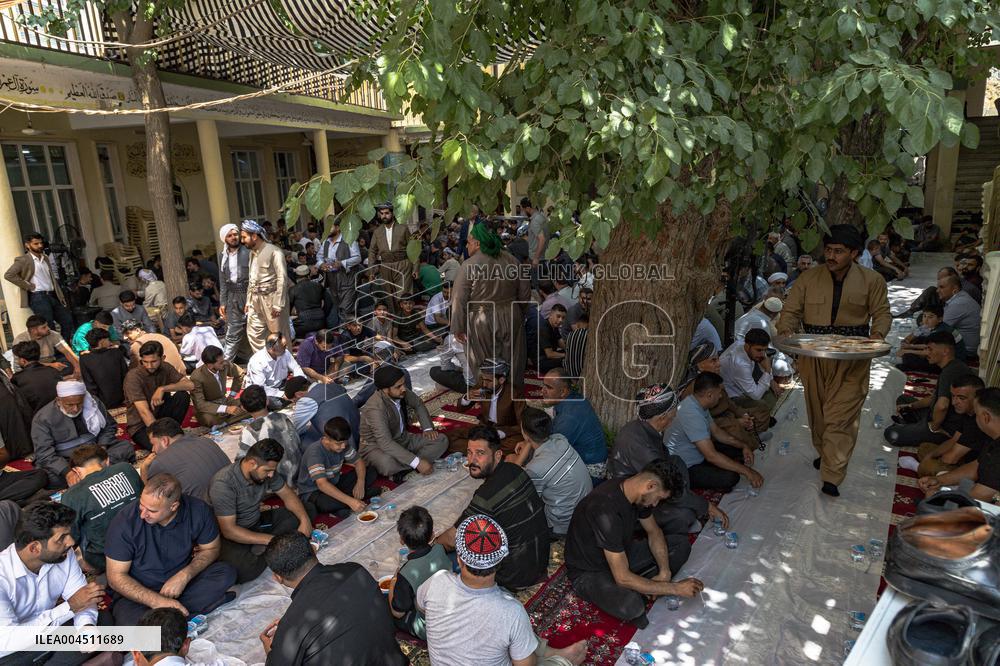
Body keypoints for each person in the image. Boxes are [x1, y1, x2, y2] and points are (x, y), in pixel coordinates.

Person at [776, 224, 891, 497]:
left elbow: (882, 313)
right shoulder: (808, 279)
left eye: (839, 251)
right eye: (828, 250)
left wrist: (876, 335)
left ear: (854, 253)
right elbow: (791, 311)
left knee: (841, 416)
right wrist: (786, 329)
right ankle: (826, 452)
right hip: (814, 358)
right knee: (819, 413)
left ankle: (832, 475)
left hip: (852, 359)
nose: (831, 256)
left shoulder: (872, 281)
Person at [420, 514, 586, 666]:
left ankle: (548, 651)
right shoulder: (511, 611)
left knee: (512, 632)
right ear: (500, 561)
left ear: (459, 558)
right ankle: (562, 660)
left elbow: (422, 606)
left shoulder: (436, 581)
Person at [564, 460, 706, 629]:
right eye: (659, 498)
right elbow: (622, 576)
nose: (655, 505)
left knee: (680, 545)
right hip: (590, 571)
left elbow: (654, 532)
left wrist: (664, 572)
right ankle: (643, 588)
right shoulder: (605, 509)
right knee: (632, 606)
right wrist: (673, 588)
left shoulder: (635, 490)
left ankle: (645, 585)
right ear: (651, 485)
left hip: (621, 553)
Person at [607, 383, 726, 565]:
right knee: (684, 515)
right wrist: (706, 506)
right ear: (663, 417)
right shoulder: (638, 443)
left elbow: (668, 466)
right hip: (636, 504)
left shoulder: (645, 427)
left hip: (653, 485)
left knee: (677, 461)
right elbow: (663, 482)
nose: (675, 416)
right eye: (672, 414)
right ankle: (671, 532)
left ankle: (684, 507)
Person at [105, 473, 237, 625]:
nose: (142, 514)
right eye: (141, 505)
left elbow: (211, 548)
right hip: (141, 592)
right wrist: (157, 601)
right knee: (131, 627)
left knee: (225, 573)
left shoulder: (198, 510)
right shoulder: (124, 523)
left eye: (152, 511)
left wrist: (185, 575)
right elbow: (116, 577)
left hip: (181, 586)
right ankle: (188, 613)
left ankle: (168, 621)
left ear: (174, 506)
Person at [259, 533, 409, 666]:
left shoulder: (291, 626)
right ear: (314, 551)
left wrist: (271, 652)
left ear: (278, 578)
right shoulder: (354, 570)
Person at [435, 425, 549, 590]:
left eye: (480, 453)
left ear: (497, 455)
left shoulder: (486, 497)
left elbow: (451, 541)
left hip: (514, 576)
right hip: (540, 562)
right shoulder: (515, 469)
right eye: (469, 452)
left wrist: (433, 544)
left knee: (451, 557)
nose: (472, 460)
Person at [0, 501, 103, 661]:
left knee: (103, 622)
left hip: (50, 632)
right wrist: (69, 607)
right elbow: (9, 640)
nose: (71, 542)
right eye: (61, 538)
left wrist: (86, 628)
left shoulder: (63, 555)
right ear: (34, 548)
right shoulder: (2, 577)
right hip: (11, 649)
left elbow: (83, 598)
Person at [210, 439, 312, 584]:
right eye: (267, 471)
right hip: (232, 536)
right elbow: (229, 530)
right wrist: (273, 541)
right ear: (252, 463)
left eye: (273, 471)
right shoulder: (223, 484)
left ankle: (268, 548)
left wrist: (305, 520)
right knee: (243, 571)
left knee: (306, 509)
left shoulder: (266, 471)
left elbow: (288, 495)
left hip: (258, 522)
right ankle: (278, 547)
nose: (271, 475)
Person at [451, 222, 531, 391]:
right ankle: (512, 400)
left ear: (477, 243)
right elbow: (525, 293)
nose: (467, 245)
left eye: (469, 241)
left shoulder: (469, 265)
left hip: (481, 320)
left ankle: (490, 404)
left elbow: (458, 300)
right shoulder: (513, 260)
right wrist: (519, 314)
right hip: (511, 314)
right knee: (513, 361)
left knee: (484, 363)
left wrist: (458, 327)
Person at [665, 372, 764, 492]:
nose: (721, 396)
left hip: (700, 453)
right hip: (686, 467)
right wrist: (748, 472)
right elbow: (711, 456)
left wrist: (744, 446)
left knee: (737, 451)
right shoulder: (691, 413)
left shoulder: (698, 404)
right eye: (720, 392)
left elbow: (717, 432)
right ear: (710, 395)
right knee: (731, 478)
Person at [31, 379, 134, 489]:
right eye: (70, 405)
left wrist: (102, 448)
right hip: (67, 459)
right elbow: (44, 453)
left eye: (79, 404)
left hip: (95, 450)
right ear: (59, 400)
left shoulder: (93, 403)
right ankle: (98, 471)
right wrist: (67, 472)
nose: (75, 409)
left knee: (125, 447)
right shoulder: (43, 418)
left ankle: (86, 474)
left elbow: (109, 427)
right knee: (45, 476)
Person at [506, 407, 591, 536]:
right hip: (585, 510)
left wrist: (515, 464)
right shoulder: (560, 440)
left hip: (562, 524)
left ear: (525, 433)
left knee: (514, 507)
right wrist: (528, 441)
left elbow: (523, 496)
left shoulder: (535, 469)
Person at [60, 444, 142, 573]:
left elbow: (73, 537)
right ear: (107, 461)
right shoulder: (126, 468)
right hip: (146, 539)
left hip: (106, 559)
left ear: (76, 471)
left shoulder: (71, 495)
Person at [359, 365, 448, 478]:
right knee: (387, 464)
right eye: (398, 386)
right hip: (376, 447)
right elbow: (385, 443)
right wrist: (417, 462)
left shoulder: (400, 392)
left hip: (402, 439)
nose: (404, 388)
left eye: (404, 384)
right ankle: (413, 462)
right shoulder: (375, 408)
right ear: (385, 390)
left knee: (441, 440)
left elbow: (418, 404)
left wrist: (428, 428)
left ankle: (405, 466)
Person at [885, 331, 971, 448]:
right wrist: (910, 406)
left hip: (945, 427)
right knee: (904, 400)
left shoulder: (950, 372)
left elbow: (942, 406)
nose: (926, 353)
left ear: (945, 351)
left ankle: (924, 431)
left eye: (930, 349)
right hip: (936, 415)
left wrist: (933, 427)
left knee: (891, 433)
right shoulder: (953, 366)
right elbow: (933, 399)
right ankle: (918, 425)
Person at [918, 388, 1000, 502]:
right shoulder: (994, 438)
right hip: (983, 490)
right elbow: (976, 466)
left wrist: (942, 498)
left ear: (986, 417)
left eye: (976, 414)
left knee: (932, 503)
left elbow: (982, 494)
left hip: (990, 504)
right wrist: (939, 480)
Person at [387, 506, 452, 640]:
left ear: (401, 540)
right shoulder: (440, 549)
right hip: (451, 611)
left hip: (431, 628)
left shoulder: (406, 574)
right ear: (433, 534)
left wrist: (393, 582)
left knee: (388, 610)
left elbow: (397, 613)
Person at [297, 416, 375, 519]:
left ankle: (343, 505)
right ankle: (350, 500)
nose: (343, 446)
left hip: (334, 483)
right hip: (313, 491)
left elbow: (359, 462)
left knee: (371, 471)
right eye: (339, 443)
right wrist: (350, 501)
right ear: (327, 439)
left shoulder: (343, 445)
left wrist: (360, 482)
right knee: (326, 503)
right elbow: (322, 484)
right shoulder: (315, 453)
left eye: (345, 442)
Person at [124, 340, 194, 450]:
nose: (149, 366)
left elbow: (189, 385)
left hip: (161, 414)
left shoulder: (165, 367)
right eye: (145, 362)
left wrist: (163, 389)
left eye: (153, 361)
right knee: (164, 448)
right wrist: (161, 436)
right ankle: (170, 434)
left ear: (163, 358)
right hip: (141, 425)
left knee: (182, 396)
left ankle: (171, 433)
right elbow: (144, 412)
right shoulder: (133, 377)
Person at [446, 357, 525, 454]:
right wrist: (467, 397)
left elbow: (523, 424)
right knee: (450, 437)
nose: (484, 384)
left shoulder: (515, 394)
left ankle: (478, 450)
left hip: (504, 430)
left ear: (501, 380)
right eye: (483, 379)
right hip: (484, 429)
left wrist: (502, 433)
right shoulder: (483, 385)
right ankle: (487, 451)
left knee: (515, 444)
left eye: (489, 380)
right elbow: (460, 409)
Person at [914, 375, 989, 477]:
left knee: (930, 466)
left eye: (961, 398)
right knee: (925, 448)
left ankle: (920, 468)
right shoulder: (967, 412)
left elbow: (951, 458)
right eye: (953, 396)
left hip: (975, 467)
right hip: (962, 455)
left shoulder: (979, 421)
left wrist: (932, 462)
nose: (954, 402)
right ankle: (929, 469)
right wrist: (930, 456)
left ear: (977, 399)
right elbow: (954, 440)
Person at [142, 418, 228, 503]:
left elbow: (151, 501)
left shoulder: (159, 462)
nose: (153, 450)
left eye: (153, 444)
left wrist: (144, 469)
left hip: (209, 513)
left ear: (165, 441)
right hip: (237, 497)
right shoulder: (206, 440)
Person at [541, 368, 608, 478]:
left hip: (590, 472)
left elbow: (552, 452)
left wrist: (529, 444)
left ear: (563, 392)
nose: (543, 390)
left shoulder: (569, 417)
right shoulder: (575, 398)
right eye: (543, 385)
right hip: (589, 461)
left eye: (549, 387)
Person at [4, 232, 74, 337]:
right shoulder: (24, 260)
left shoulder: (45, 258)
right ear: (27, 245)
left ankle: (64, 345)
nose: (40, 246)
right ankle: (56, 352)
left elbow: (51, 279)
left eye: (40, 243)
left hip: (51, 295)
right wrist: (28, 286)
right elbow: (9, 275)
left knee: (67, 319)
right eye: (36, 244)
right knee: (48, 326)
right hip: (38, 297)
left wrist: (60, 295)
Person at [242, 220, 291, 353]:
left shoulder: (274, 251)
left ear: (254, 236)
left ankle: (283, 367)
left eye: (244, 237)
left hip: (272, 299)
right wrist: (248, 301)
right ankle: (265, 364)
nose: (242, 240)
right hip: (255, 300)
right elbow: (252, 279)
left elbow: (282, 278)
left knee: (278, 335)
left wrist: (278, 303)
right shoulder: (252, 253)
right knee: (254, 333)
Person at [237, 385, 303, 480]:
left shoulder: (249, 431)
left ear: (243, 408)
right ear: (267, 401)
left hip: (277, 480)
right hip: (300, 472)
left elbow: (242, 463)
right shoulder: (284, 417)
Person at [719, 328, 783, 417]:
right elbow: (756, 396)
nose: (762, 354)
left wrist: (771, 380)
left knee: (770, 393)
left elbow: (761, 361)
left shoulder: (744, 344)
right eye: (759, 350)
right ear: (747, 346)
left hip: (742, 381)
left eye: (764, 350)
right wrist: (768, 371)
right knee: (764, 404)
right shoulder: (740, 364)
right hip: (732, 395)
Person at [368, 202, 415, 313]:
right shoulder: (377, 232)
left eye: (387, 213)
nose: (384, 216)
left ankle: (406, 321)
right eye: (382, 213)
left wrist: (416, 267)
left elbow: (413, 248)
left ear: (392, 214)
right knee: (390, 296)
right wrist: (371, 271)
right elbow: (372, 251)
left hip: (403, 264)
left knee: (403, 294)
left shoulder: (403, 228)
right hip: (385, 266)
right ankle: (396, 323)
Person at [896, 303, 967, 371]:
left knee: (909, 357)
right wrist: (909, 345)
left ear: (940, 319)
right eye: (924, 316)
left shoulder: (942, 331)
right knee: (918, 340)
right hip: (942, 354)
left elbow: (928, 351)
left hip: (952, 362)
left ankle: (911, 366)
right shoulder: (931, 326)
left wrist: (907, 350)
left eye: (930, 317)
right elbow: (914, 338)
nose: (926, 320)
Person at [244, 332, 310, 406]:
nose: (287, 348)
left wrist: (300, 382)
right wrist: (282, 394)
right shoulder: (257, 362)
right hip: (263, 391)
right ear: (273, 349)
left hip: (282, 384)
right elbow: (260, 387)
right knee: (278, 403)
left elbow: (295, 367)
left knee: (306, 387)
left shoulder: (284, 352)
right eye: (284, 346)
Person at [317, 219, 362, 324]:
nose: (327, 229)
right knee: (339, 309)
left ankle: (347, 334)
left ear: (338, 227)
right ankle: (345, 333)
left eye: (330, 226)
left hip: (347, 281)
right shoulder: (326, 242)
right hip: (333, 283)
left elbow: (358, 258)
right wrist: (321, 264)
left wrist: (342, 263)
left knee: (346, 311)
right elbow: (319, 257)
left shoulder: (349, 239)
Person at [189, 345, 245, 427]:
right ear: (210, 366)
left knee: (250, 403)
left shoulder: (225, 365)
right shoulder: (197, 377)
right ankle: (230, 419)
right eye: (221, 362)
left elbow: (240, 373)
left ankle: (225, 422)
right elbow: (200, 404)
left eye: (223, 359)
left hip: (225, 401)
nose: (225, 363)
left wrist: (232, 394)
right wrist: (226, 409)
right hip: (209, 408)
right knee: (209, 420)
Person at [217, 223, 250, 362]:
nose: (233, 238)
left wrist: (250, 299)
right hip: (232, 298)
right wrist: (223, 302)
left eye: (235, 234)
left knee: (254, 331)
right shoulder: (222, 255)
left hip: (249, 295)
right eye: (229, 236)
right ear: (225, 239)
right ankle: (223, 365)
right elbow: (223, 280)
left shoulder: (248, 252)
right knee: (232, 332)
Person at [11, 316, 80, 377]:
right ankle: (58, 378)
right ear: (34, 330)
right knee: (37, 375)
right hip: (30, 368)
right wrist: (50, 365)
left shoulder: (53, 334)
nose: (48, 328)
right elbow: (23, 364)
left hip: (51, 363)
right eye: (44, 327)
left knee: (69, 364)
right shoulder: (20, 340)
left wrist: (77, 366)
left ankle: (56, 377)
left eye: (47, 325)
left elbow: (67, 351)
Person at [79, 328, 129, 409]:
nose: (110, 342)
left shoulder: (84, 358)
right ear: (101, 342)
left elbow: (89, 383)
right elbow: (126, 374)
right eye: (108, 340)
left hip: (103, 403)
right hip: (122, 399)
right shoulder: (116, 352)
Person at [11, 341, 62, 415]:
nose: (18, 361)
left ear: (23, 360)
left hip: (38, 419)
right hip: (59, 413)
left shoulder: (17, 378)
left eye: (18, 359)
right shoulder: (53, 371)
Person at [938, 272, 981, 359]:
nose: (937, 290)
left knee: (913, 354)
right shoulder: (961, 297)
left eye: (941, 287)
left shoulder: (958, 303)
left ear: (955, 289)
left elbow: (938, 330)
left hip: (966, 351)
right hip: (965, 347)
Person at [122, 319, 187, 376]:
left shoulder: (136, 345)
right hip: (181, 373)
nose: (124, 337)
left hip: (169, 379)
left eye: (127, 333)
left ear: (137, 330)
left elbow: (133, 368)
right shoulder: (158, 335)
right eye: (124, 334)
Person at [289, 264, 330, 336]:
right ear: (308, 275)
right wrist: (323, 313)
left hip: (302, 325)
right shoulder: (318, 286)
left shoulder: (293, 290)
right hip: (321, 322)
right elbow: (329, 302)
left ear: (297, 278)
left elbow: (288, 308)